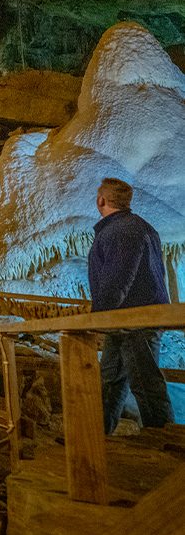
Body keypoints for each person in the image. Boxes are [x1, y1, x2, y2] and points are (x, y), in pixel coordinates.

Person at [89, 178, 174, 434]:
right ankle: (96, 435)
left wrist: (98, 317)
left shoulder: (122, 231)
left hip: (134, 320)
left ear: (101, 200)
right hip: (128, 320)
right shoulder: (139, 227)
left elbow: (117, 279)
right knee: (111, 381)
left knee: (145, 383)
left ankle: (165, 442)